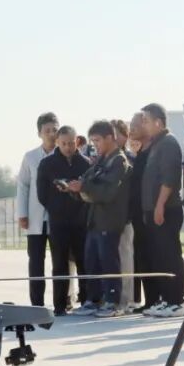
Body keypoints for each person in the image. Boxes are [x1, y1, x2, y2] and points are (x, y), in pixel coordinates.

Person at [67, 121, 131, 318]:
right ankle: (93, 300)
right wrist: (73, 188)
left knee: (109, 261)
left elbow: (107, 192)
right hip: (95, 219)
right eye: (92, 141)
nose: (94, 145)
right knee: (92, 261)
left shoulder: (118, 161)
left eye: (97, 140)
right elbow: (86, 181)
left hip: (110, 220)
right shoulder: (101, 161)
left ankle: (113, 302)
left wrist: (83, 188)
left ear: (110, 138)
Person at [139, 103, 184, 318]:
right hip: (154, 210)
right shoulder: (156, 144)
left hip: (167, 209)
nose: (143, 124)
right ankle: (166, 299)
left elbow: (169, 178)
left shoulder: (168, 142)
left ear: (158, 122)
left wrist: (159, 205)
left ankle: (176, 300)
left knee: (170, 256)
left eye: (146, 120)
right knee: (159, 256)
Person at [36, 126, 90, 316]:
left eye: (71, 143)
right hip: (58, 222)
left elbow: (90, 190)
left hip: (80, 220)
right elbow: (42, 194)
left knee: (83, 261)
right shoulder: (47, 164)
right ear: (57, 142)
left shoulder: (85, 164)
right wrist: (55, 207)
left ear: (77, 142)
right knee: (59, 263)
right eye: (64, 143)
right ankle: (60, 305)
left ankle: (86, 302)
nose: (68, 147)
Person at [16, 112, 59, 307]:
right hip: (35, 219)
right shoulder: (30, 157)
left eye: (54, 130)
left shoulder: (63, 155)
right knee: (35, 263)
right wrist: (22, 214)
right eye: (47, 130)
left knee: (60, 262)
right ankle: (37, 304)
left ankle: (61, 303)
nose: (51, 134)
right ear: (39, 133)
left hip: (58, 219)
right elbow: (23, 185)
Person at [127, 112, 156, 311]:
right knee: (142, 258)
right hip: (138, 214)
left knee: (152, 257)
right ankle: (150, 300)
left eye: (135, 126)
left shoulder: (153, 150)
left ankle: (158, 299)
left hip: (149, 213)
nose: (131, 130)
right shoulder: (141, 152)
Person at [112, 119, 136, 309]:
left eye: (116, 134)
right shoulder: (102, 159)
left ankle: (126, 298)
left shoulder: (130, 159)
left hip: (126, 217)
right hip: (107, 217)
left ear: (125, 136)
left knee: (125, 256)